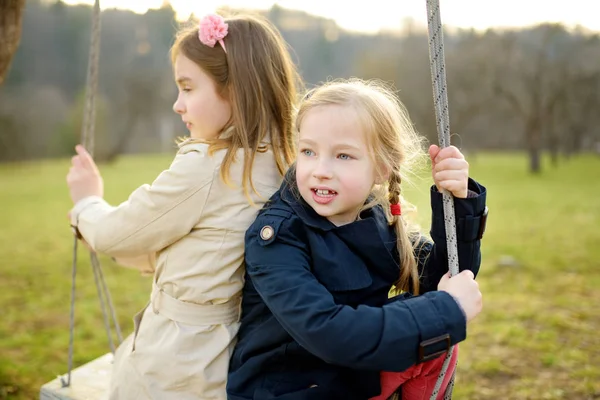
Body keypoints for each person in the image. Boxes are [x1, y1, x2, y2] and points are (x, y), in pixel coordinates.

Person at [66, 13, 301, 399]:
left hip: (172, 363)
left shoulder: (209, 168)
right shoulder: (280, 165)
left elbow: (114, 233)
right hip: (223, 359)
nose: (178, 105)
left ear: (237, 90)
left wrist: (87, 202)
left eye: (188, 88)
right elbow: (204, 251)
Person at [227, 79, 488, 400]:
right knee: (439, 315)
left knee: (439, 328)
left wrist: (459, 202)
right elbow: (330, 334)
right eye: (309, 151)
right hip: (291, 390)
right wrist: (447, 309)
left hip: (350, 380)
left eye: (343, 156)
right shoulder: (277, 236)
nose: (320, 170)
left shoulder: (375, 219)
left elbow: (446, 277)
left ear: (380, 169)